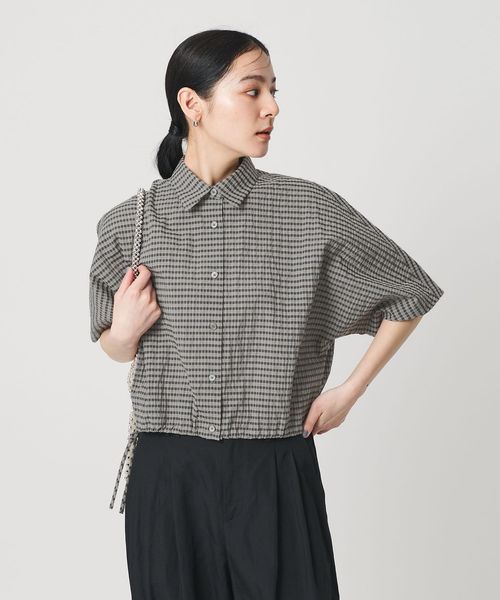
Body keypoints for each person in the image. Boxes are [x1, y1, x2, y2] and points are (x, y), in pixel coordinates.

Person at [89, 29, 444, 600]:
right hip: (167, 474)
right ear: (192, 104)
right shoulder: (129, 223)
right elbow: (110, 342)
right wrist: (124, 333)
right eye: (253, 90)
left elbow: (410, 291)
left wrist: (349, 393)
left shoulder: (309, 210)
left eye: (274, 91)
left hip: (275, 469)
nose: (272, 107)